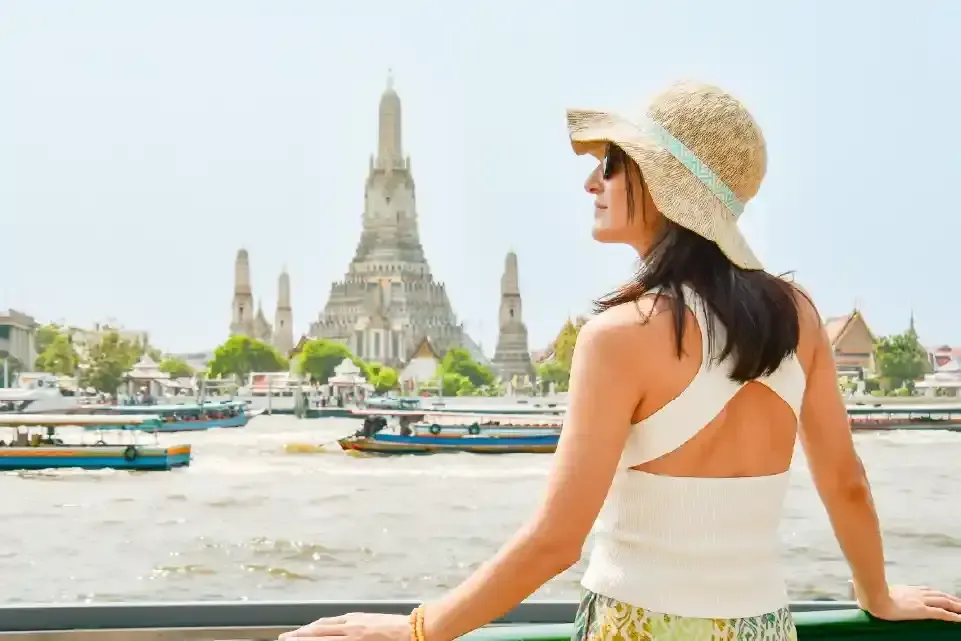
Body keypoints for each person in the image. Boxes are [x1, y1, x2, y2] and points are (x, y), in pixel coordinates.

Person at [279, 82, 961, 641]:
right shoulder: (799, 316)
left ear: (659, 183)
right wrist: (876, 594)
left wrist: (419, 629)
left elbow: (556, 540)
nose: (590, 181)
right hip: (761, 627)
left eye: (609, 163)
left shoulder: (618, 336)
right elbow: (845, 481)